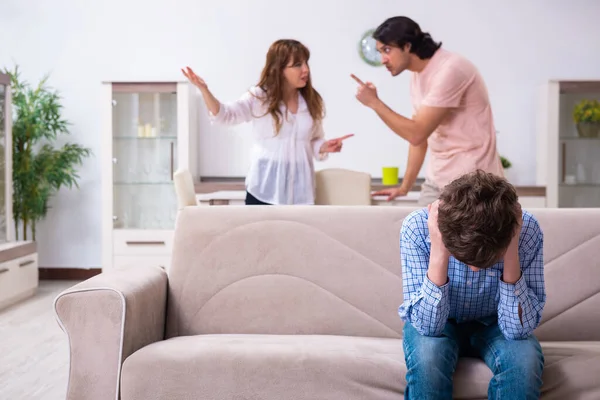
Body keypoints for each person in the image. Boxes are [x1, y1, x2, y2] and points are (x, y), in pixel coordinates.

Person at [399, 170, 545, 399]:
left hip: (495, 322)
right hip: (441, 322)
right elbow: (428, 328)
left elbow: (517, 331)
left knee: (524, 363)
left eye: (488, 260)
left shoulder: (526, 230)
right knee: (428, 360)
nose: (475, 269)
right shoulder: (416, 228)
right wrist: (439, 251)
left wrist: (511, 249)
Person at [351, 16, 503, 206]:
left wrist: (374, 103)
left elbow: (416, 133)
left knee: (457, 236)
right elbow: (420, 138)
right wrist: (404, 187)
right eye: (380, 52)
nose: (383, 60)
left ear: (407, 46)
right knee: (418, 231)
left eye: (387, 50)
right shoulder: (418, 76)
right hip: (438, 179)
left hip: (473, 182)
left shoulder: (451, 69)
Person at [182, 39, 353, 205]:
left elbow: (313, 140)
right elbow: (225, 115)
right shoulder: (260, 97)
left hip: (301, 192)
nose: (306, 70)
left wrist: (324, 146)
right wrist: (204, 90)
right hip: (264, 190)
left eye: (306, 63)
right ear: (279, 69)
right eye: (298, 65)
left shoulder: (311, 100)